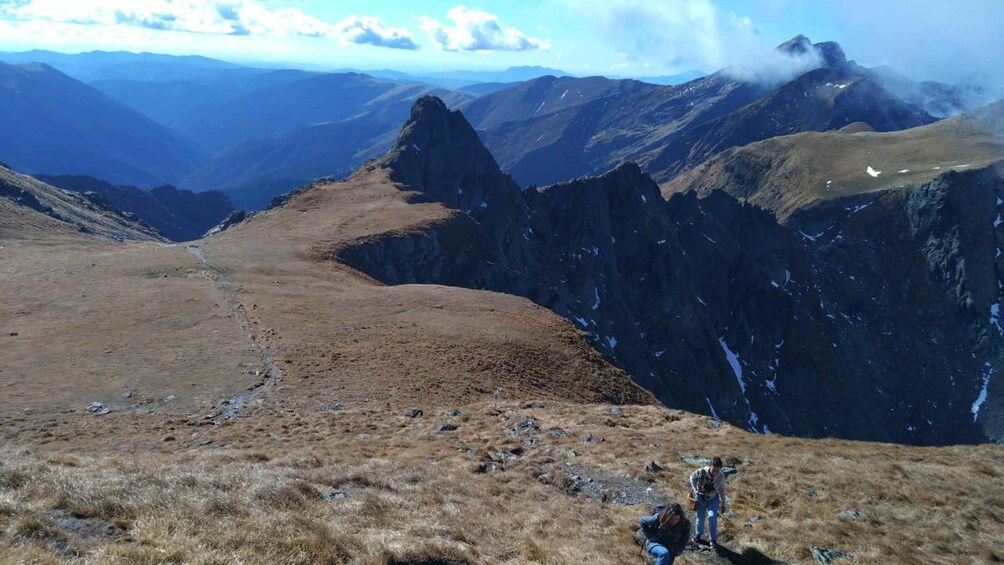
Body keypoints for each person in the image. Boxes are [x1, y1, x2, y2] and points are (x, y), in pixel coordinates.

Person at [689, 456, 727, 548]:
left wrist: (723, 504)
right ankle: (698, 535)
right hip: (700, 498)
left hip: (713, 499)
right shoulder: (701, 471)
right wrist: (695, 490)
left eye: (717, 470)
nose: (714, 472)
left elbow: (722, 490)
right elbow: (692, 477)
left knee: (712, 517)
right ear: (710, 466)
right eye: (713, 470)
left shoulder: (721, 477)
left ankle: (712, 539)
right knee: (700, 518)